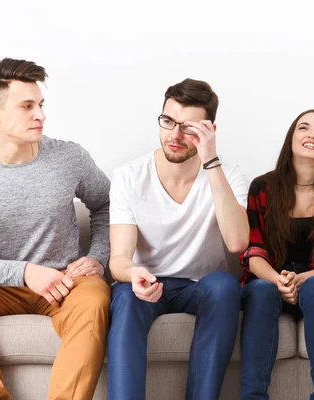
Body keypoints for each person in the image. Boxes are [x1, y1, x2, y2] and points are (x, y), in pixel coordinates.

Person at [0, 58, 111, 400]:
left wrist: (98, 257)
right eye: (27, 106)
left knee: (95, 295)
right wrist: (26, 272)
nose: (40, 115)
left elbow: (107, 204)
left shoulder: (69, 158)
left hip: (64, 284)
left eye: (40, 105)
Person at [107, 78, 249, 400]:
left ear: (208, 130)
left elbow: (238, 243)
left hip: (200, 287)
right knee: (127, 297)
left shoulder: (230, 175)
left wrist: (210, 161)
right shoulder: (129, 176)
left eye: (188, 128)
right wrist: (134, 275)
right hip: (146, 283)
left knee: (225, 286)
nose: (174, 135)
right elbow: (118, 261)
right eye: (168, 122)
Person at [239, 109, 314, 400]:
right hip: (271, 278)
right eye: (303, 128)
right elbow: (253, 251)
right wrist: (278, 281)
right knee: (261, 291)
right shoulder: (262, 187)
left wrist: (303, 279)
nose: (312, 135)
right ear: (291, 140)